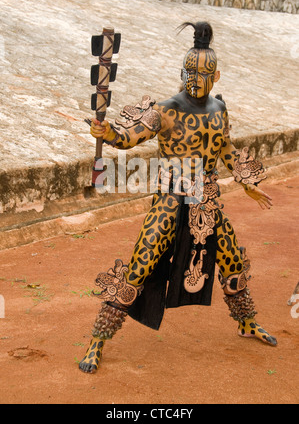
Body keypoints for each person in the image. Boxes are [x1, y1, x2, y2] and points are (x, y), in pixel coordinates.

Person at [79, 21, 277, 374]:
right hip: (170, 200)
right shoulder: (166, 109)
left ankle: (246, 321)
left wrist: (247, 180)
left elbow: (226, 148)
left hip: (206, 201)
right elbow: (130, 136)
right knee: (141, 264)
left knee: (231, 258)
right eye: (189, 71)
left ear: (216, 77)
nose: (195, 78)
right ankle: (97, 340)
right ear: (181, 70)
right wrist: (107, 131)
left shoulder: (219, 110)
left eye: (203, 73)